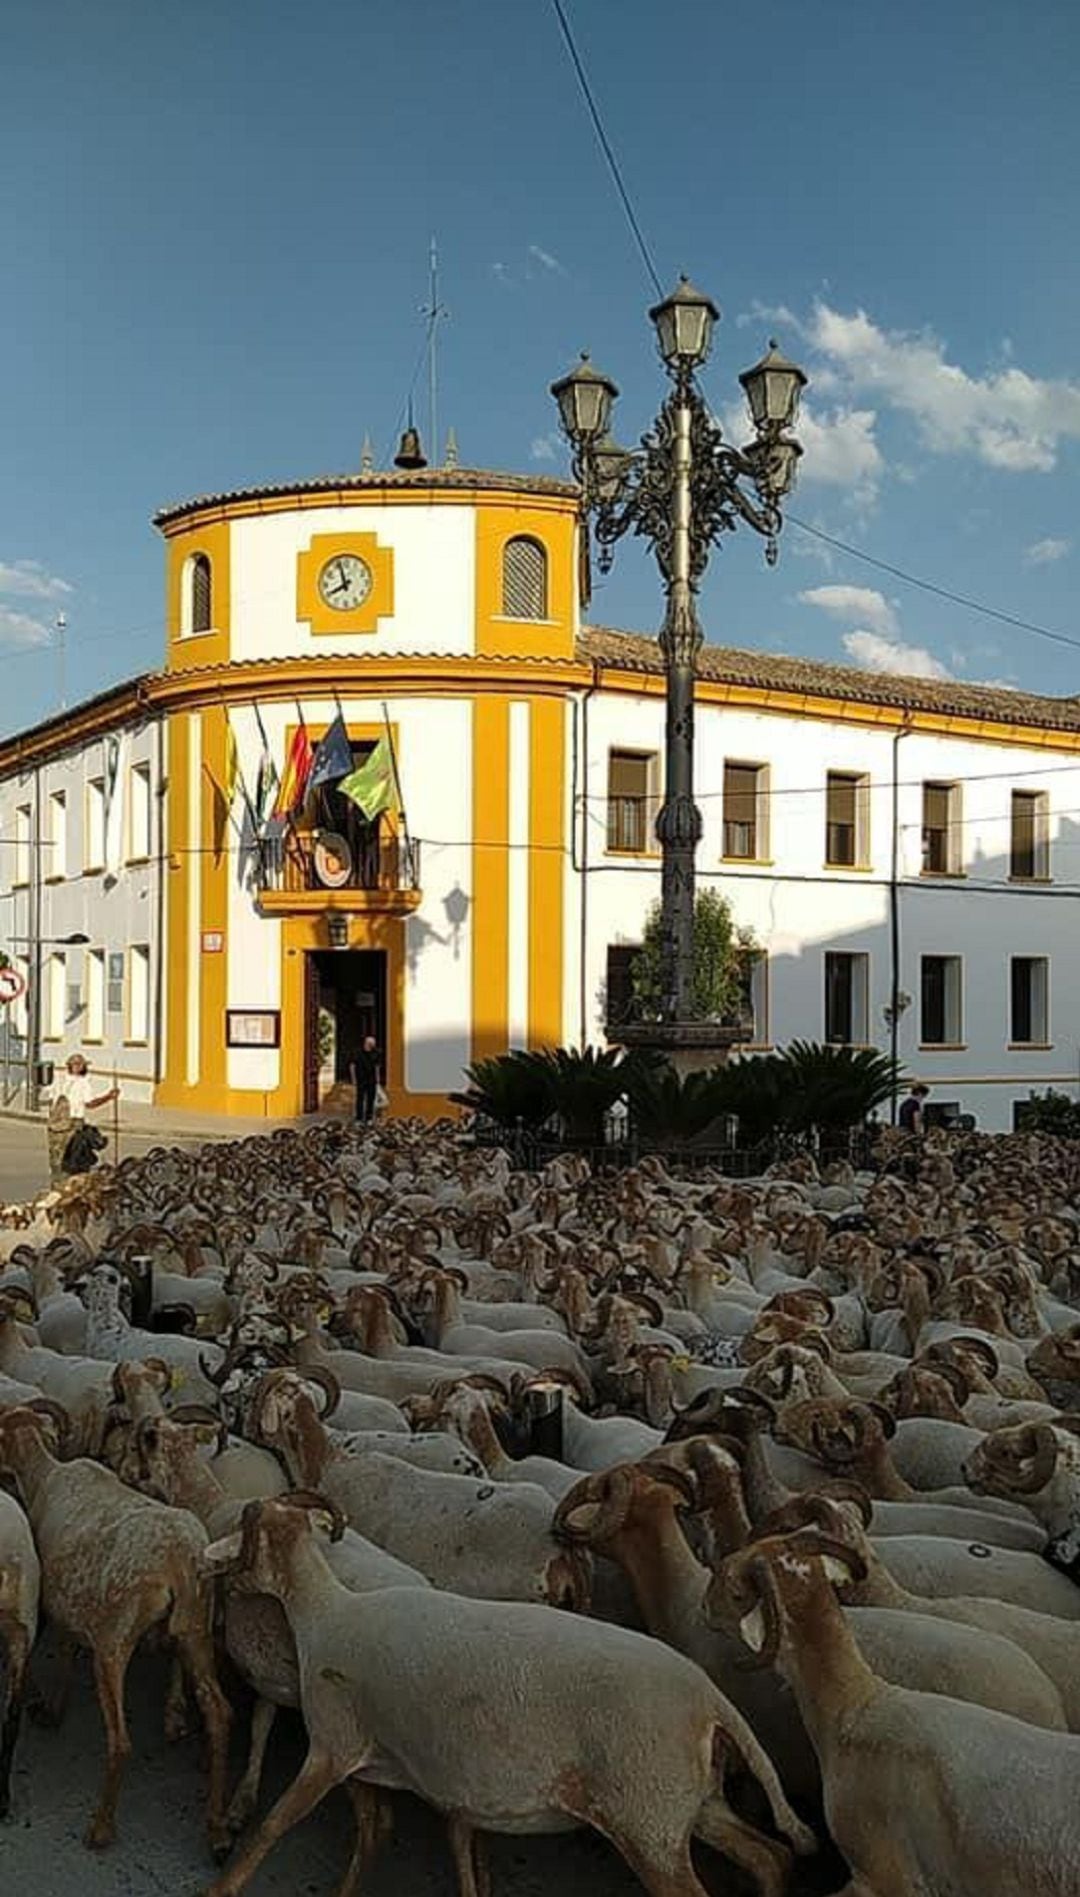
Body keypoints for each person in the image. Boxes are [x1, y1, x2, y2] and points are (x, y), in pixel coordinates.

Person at [47, 1053, 119, 1185]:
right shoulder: (82, 1082)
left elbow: (51, 1099)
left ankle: (55, 1185)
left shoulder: (59, 1079)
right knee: (72, 1158)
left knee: (56, 1158)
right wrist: (109, 1097)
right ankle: (67, 1187)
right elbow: (90, 1103)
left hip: (55, 1125)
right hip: (73, 1123)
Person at [349, 1034, 380, 1125]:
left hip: (372, 1080)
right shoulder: (357, 1053)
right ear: (366, 1043)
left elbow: (377, 1067)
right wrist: (353, 1079)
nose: (372, 1045)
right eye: (370, 1043)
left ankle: (369, 1118)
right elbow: (352, 1066)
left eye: (373, 1044)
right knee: (360, 1099)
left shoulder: (376, 1053)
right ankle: (359, 1118)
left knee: (371, 1099)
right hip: (361, 1079)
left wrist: (377, 1080)